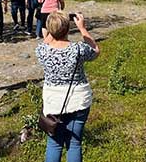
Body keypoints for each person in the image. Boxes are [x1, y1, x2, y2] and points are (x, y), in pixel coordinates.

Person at [36, 13, 99, 162]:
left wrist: (54, 27)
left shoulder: (42, 50)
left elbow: (48, 40)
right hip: (78, 100)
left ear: (49, 29)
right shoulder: (78, 49)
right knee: (74, 143)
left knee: (54, 143)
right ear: (68, 29)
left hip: (53, 102)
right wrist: (82, 28)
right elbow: (95, 51)